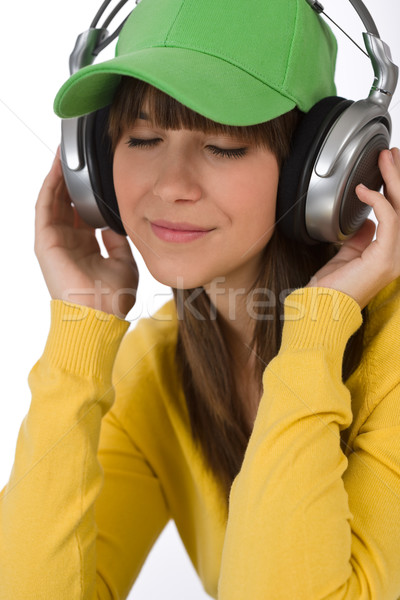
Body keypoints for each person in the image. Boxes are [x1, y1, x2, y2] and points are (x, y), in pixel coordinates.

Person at [1, 0, 400, 598]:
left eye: (223, 146)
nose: (170, 186)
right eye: (142, 138)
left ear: (325, 170)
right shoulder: (156, 367)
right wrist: (79, 332)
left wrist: (316, 334)